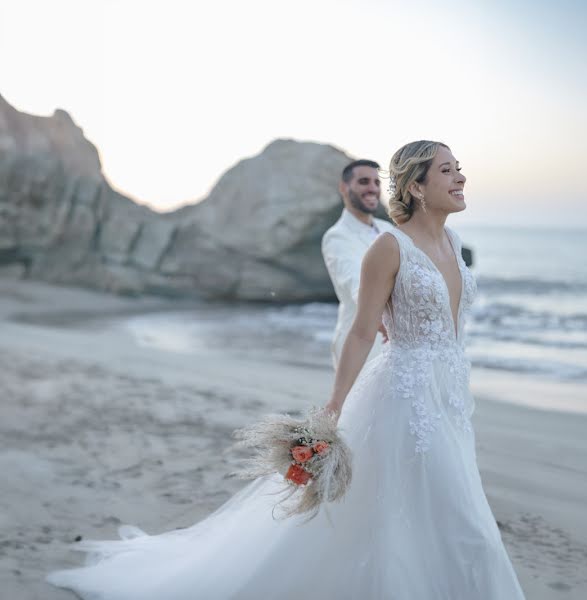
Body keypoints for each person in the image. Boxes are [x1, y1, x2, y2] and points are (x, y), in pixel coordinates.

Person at [46, 141, 527, 599]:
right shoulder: (389, 247)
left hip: (451, 396)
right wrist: (335, 405)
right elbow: (363, 331)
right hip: (405, 397)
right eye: (447, 169)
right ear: (417, 186)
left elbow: (448, 327)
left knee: (443, 508)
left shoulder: (455, 240)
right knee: (454, 515)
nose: (461, 176)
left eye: (458, 167)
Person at [322, 159, 394, 369]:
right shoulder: (337, 237)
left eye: (376, 182)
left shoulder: (387, 228)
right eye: (363, 182)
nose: (372, 188)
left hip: (397, 343)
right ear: (344, 188)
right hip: (362, 347)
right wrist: (380, 317)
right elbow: (354, 280)